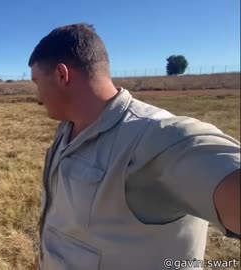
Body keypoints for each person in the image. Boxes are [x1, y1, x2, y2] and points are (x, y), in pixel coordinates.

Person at [28, 23, 240, 270]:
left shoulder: (158, 137)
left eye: (36, 82)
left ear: (62, 75)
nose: (38, 96)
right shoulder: (67, 128)